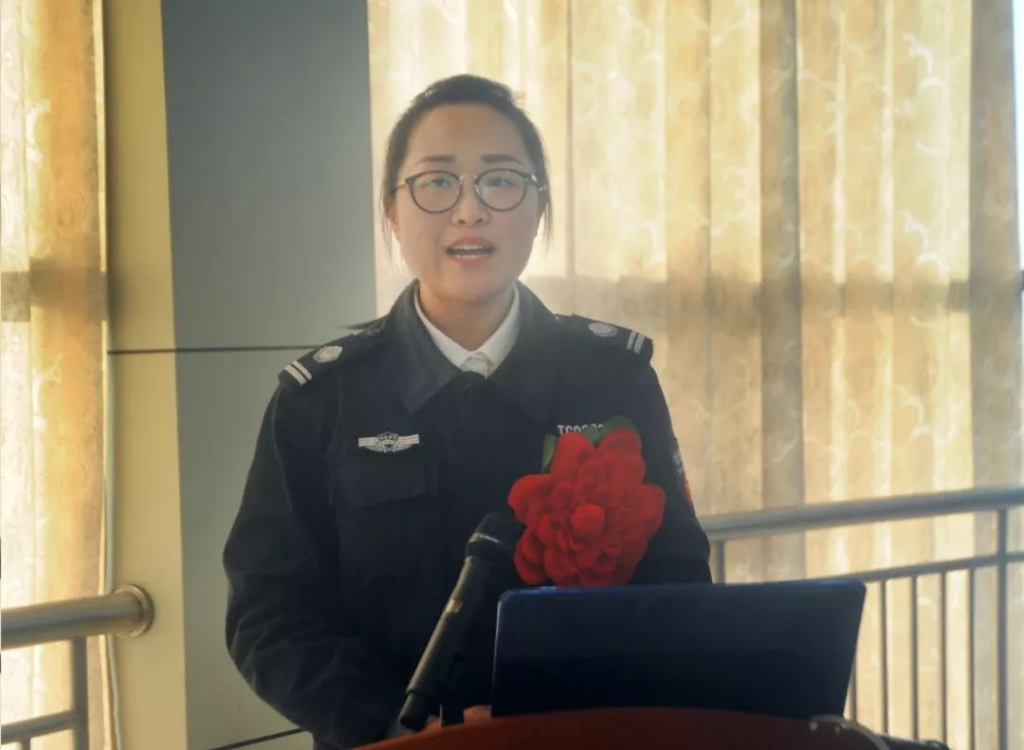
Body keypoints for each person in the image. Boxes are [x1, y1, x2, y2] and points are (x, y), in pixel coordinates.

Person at [223, 73, 712, 750]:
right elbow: (269, 615)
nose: (469, 211)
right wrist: (396, 727)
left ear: (540, 208)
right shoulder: (321, 400)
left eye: (501, 180)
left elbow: (676, 577)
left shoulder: (613, 380)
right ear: (393, 212)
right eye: (436, 182)